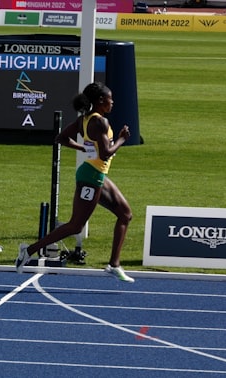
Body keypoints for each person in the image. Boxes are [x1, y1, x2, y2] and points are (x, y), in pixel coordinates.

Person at [15, 82, 135, 283]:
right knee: (75, 226)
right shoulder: (99, 123)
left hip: (95, 173)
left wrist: (85, 149)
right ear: (99, 101)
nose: (112, 102)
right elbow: (105, 154)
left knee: (125, 215)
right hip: (91, 177)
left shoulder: (85, 120)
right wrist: (122, 139)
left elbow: (61, 138)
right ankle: (28, 250)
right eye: (109, 98)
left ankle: (114, 265)